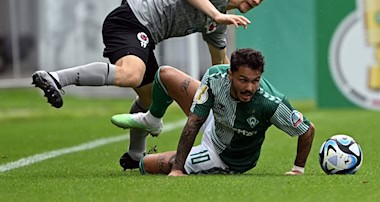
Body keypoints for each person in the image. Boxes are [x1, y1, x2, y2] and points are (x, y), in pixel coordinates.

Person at [31, 0, 276, 169]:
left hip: (145, 34)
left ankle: (135, 154)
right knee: (131, 74)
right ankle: (55, 78)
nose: (256, 0)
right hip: (131, 19)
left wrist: (237, 94)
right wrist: (218, 15)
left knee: (150, 98)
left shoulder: (218, 23)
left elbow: (221, 66)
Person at [111, 48, 315, 175]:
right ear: (230, 74)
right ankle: (153, 119)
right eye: (243, 80)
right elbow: (194, 121)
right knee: (165, 74)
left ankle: (139, 158)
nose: (249, 88)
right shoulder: (214, 78)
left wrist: (298, 170)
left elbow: (307, 130)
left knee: (146, 165)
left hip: (223, 156)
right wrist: (177, 169)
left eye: (255, 81)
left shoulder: (270, 103)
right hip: (216, 121)